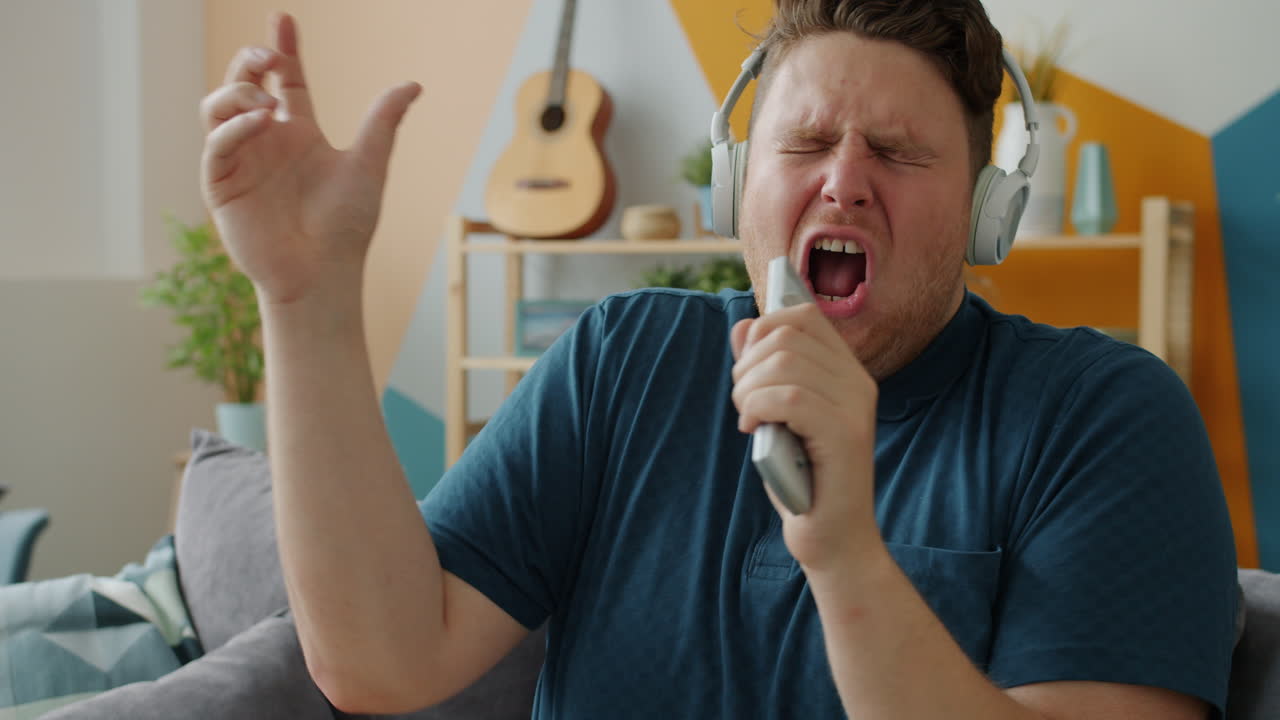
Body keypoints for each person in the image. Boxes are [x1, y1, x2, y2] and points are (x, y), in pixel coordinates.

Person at [198, 1, 1238, 718]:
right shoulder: (622, 360)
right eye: (805, 144)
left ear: (984, 208)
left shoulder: (1103, 418)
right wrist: (305, 298)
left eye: (896, 152)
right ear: (735, 187)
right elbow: (379, 661)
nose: (843, 182)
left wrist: (845, 554)